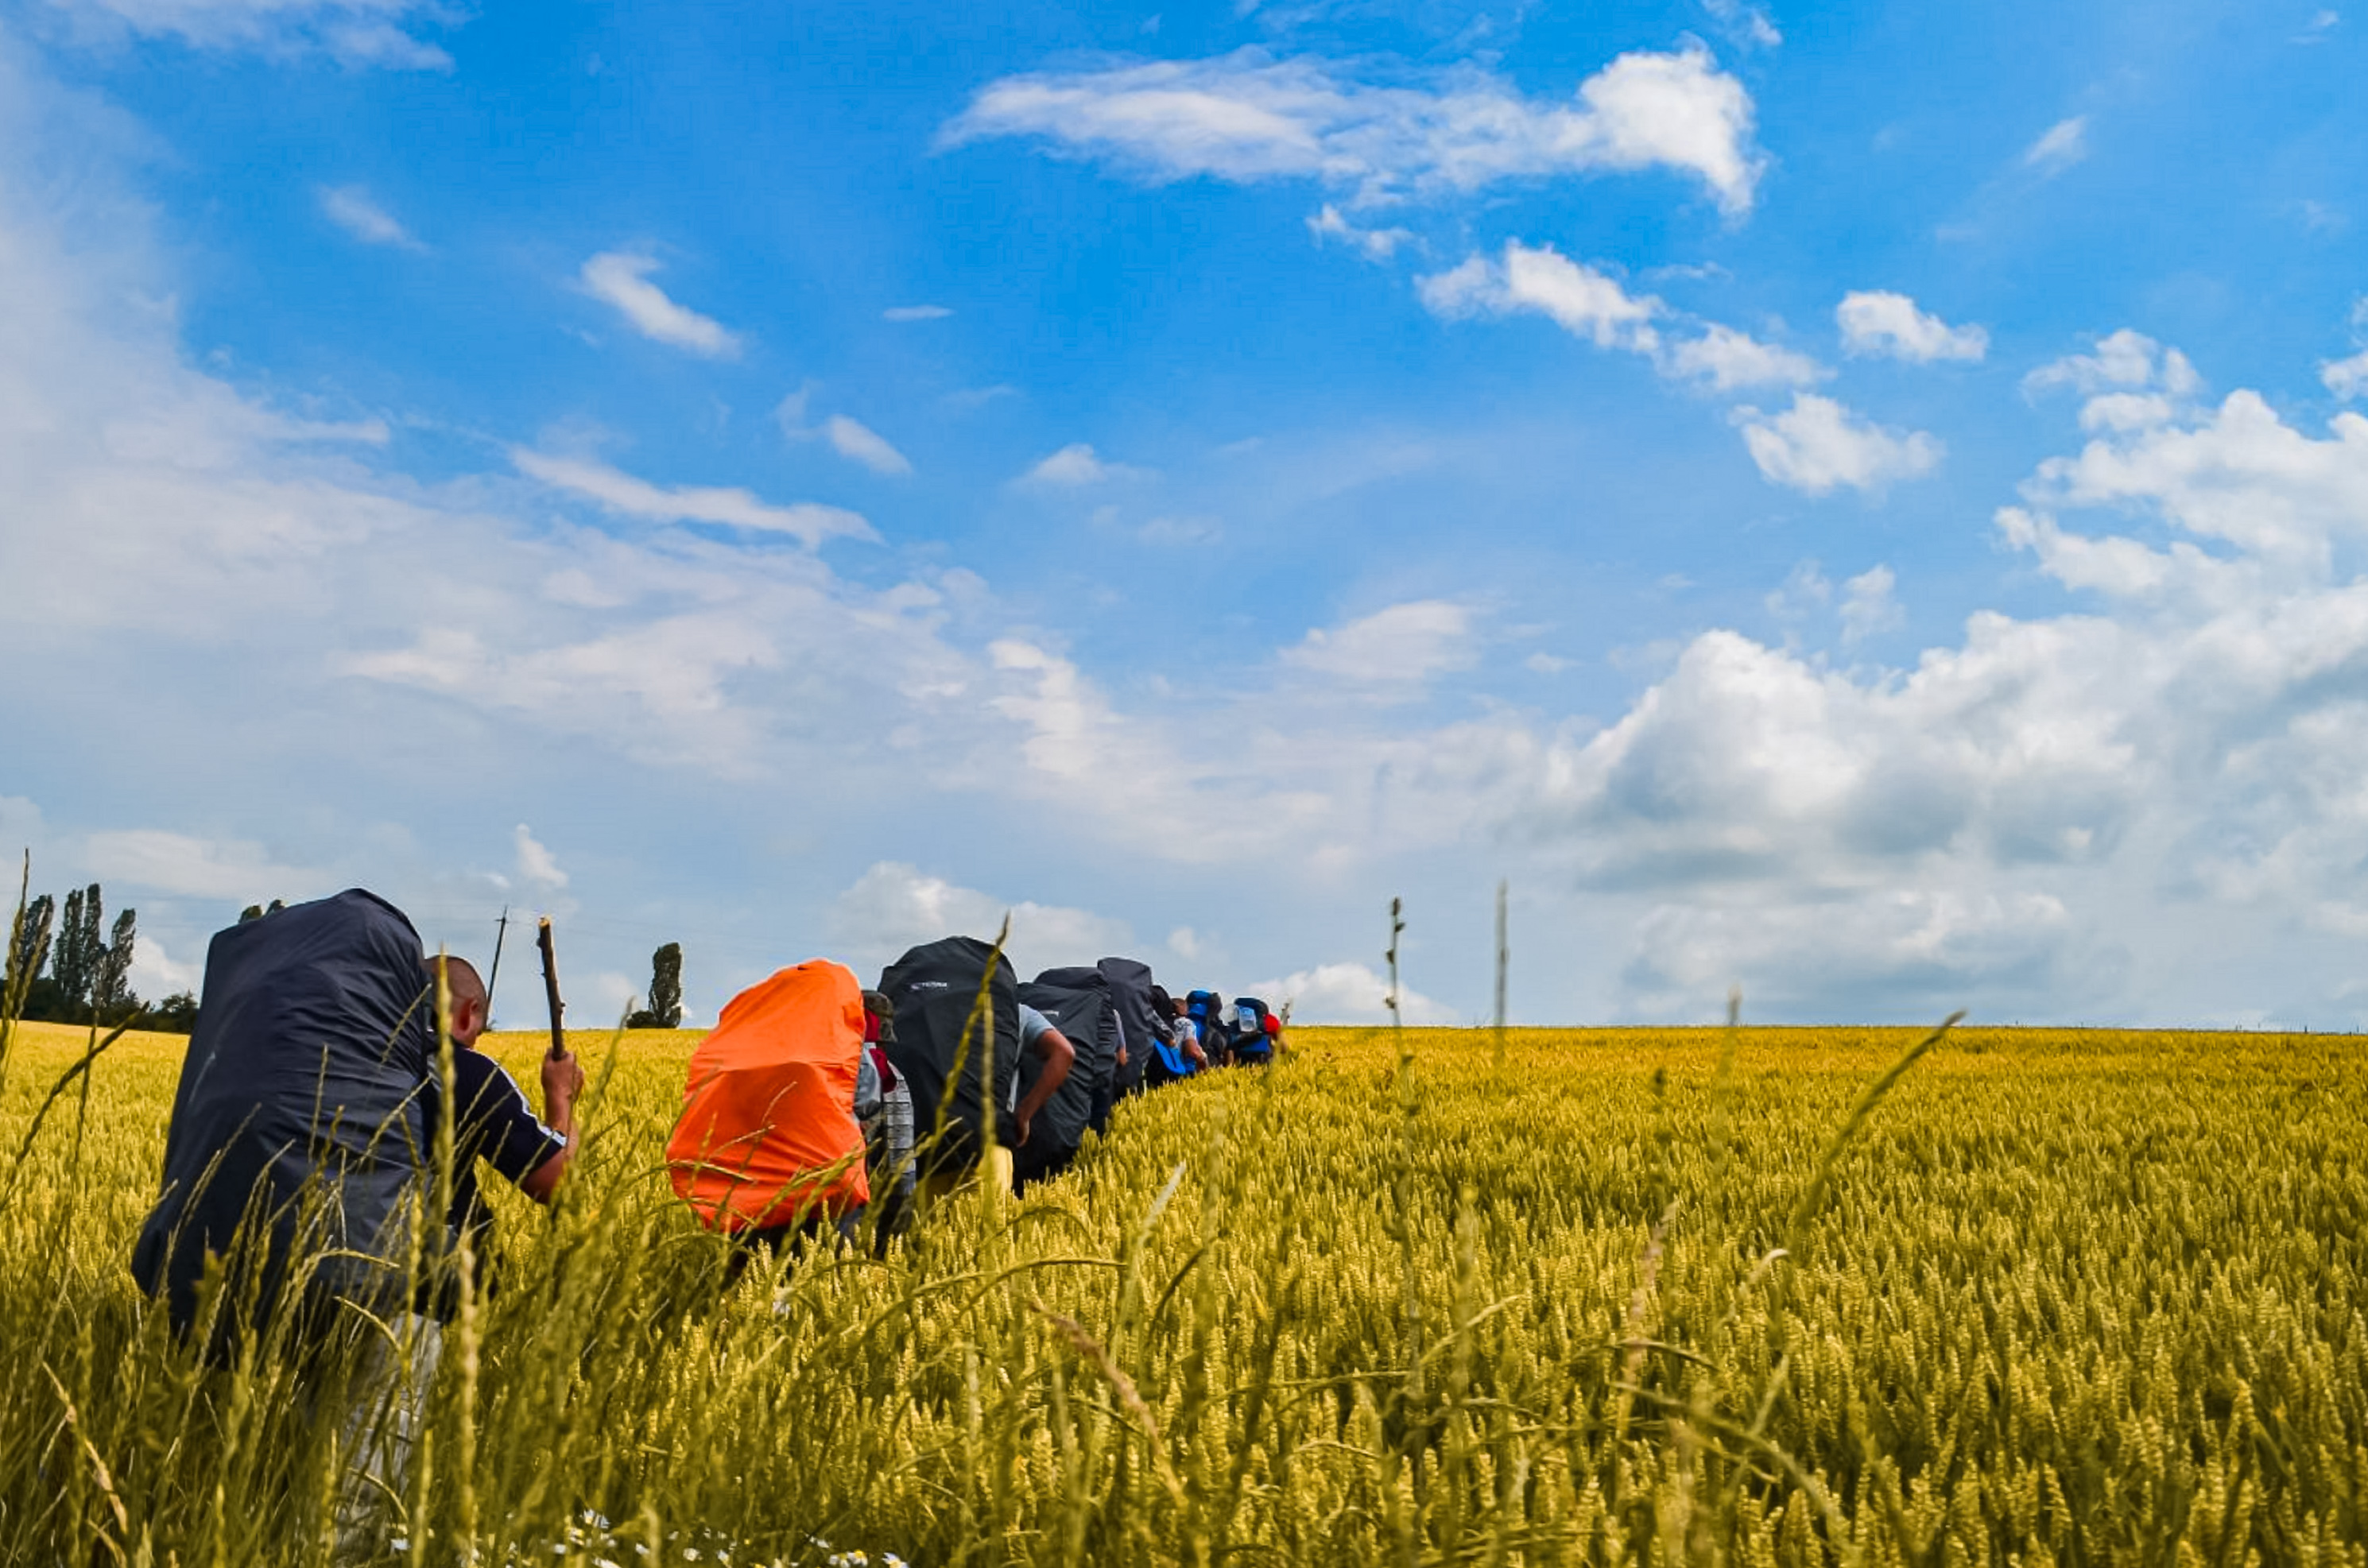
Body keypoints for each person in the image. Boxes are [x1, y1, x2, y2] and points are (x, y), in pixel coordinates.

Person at [130, 891, 581, 1540]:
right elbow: (557, 1181)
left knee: (313, 1467)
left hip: (318, 1278)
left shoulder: (335, 1061)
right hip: (406, 1300)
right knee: (351, 1506)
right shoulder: (462, 1069)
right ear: (468, 1012)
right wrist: (559, 1099)